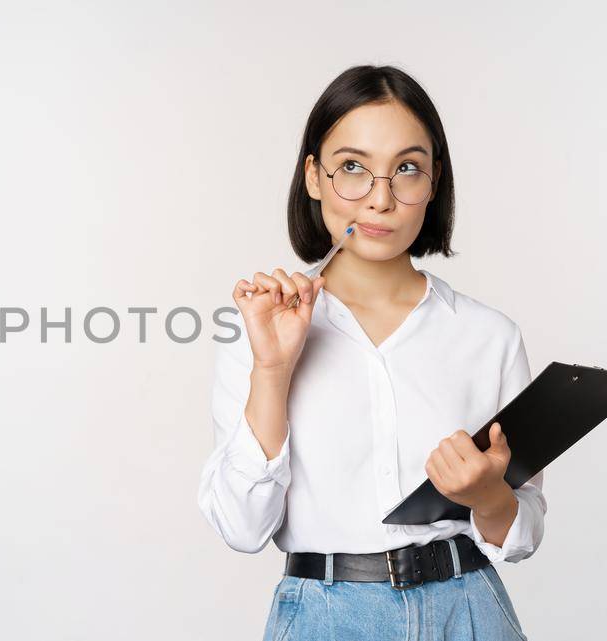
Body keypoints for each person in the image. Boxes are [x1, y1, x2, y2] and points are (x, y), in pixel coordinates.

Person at [196, 65, 542, 641]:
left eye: (407, 169)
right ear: (313, 176)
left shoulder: (490, 336)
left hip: (470, 612)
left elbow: (524, 530)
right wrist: (274, 371)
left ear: (433, 184)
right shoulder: (258, 329)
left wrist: (488, 496)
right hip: (325, 619)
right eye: (352, 168)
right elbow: (241, 528)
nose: (380, 200)